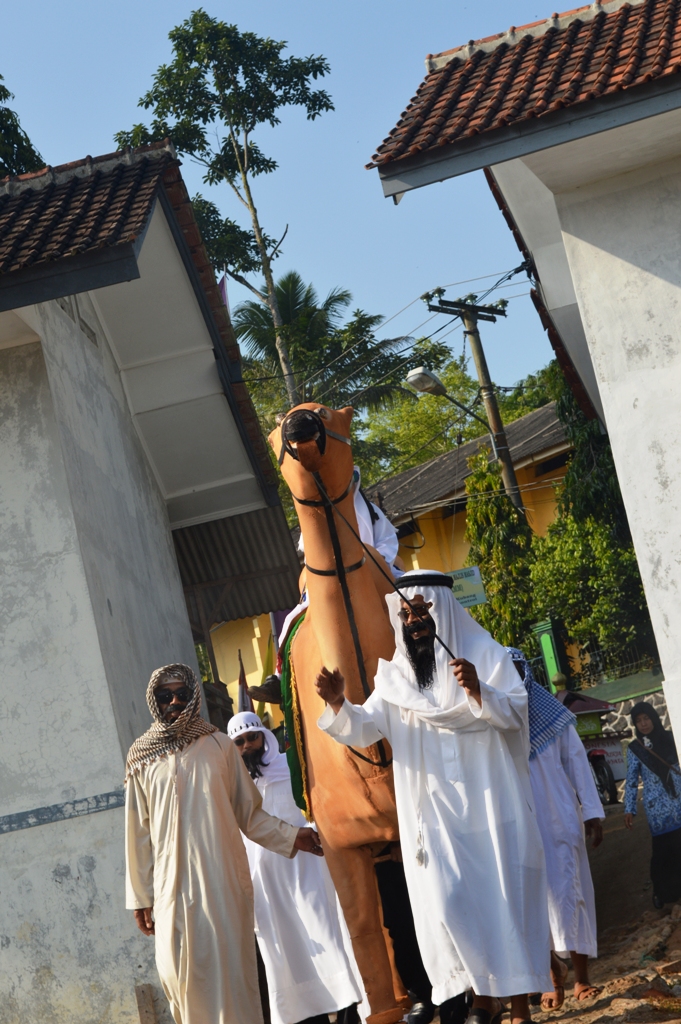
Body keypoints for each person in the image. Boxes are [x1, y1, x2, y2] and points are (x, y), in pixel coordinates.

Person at [314, 570, 551, 1024]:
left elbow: (517, 715)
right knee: (449, 903)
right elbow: (366, 729)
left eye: (422, 612)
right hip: (436, 820)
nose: (414, 621)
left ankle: (515, 1006)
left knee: (503, 902)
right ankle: (480, 996)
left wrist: (479, 690)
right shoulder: (396, 678)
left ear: (442, 611)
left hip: (491, 808)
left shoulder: (486, 656)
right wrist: (339, 704)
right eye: (406, 615)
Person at [125, 664, 323, 1024]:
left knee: (231, 975)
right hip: (170, 888)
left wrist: (293, 836)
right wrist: (141, 896)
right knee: (177, 974)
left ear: (193, 698)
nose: (174, 702)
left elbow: (250, 814)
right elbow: (137, 834)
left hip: (222, 881)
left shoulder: (218, 745)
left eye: (182, 694)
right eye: (165, 696)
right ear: (154, 701)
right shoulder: (141, 757)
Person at [227, 711, 362, 1024]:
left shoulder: (291, 769)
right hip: (265, 880)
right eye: (239, 742)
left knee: (324, 932)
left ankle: (347, 1008)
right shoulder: (232, 787)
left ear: (264, 736)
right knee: (286, 950)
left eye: (252, 737)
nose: (247, 746)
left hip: (306, 868)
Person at [506, 648, 604, 1009]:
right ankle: (552, 975)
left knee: (570, 892)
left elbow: (577, 762)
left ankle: (581, 978)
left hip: (559, 817)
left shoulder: (552, 716)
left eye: (515, 672)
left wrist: (591, 812)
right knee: (531, 899)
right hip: (518, 822)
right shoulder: (495, 719)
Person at [624, 701, 681, 908]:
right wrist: (629, 809)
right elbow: (631, 781)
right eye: (638, 721)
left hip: (678, 802)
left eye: (646, 718)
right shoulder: (635, 749)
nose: (644, 724)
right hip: (658, 810)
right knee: (663, 852)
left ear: (654, 718)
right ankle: (662, 893)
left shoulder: (671, 738)